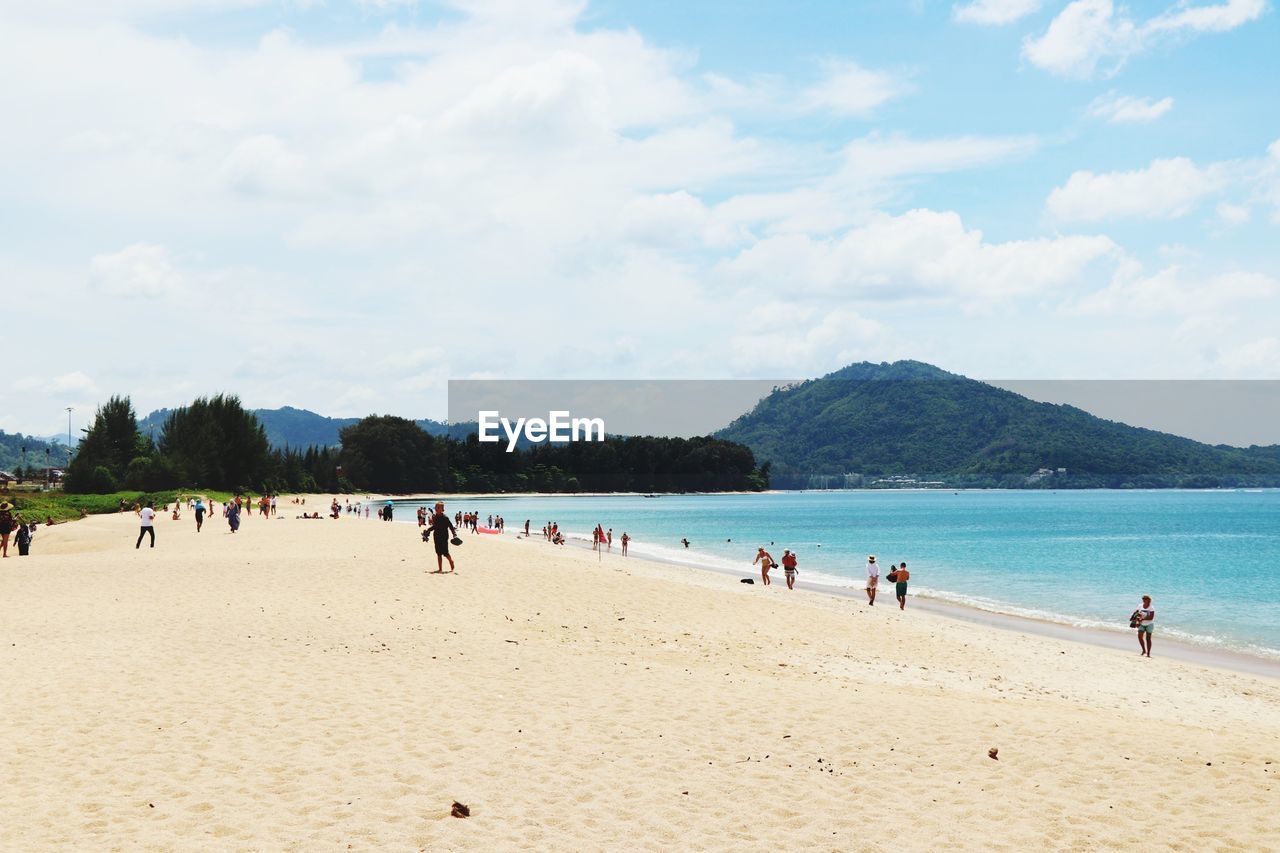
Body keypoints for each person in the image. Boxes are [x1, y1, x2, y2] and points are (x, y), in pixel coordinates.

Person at [425, 501, 458, 573]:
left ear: (442, 509)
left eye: (438, 508)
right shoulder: (435, 517)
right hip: (436, 536)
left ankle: (451, 561)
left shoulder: (445, 518)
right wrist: (428, 530)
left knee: (445, 553)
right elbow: (435, 526)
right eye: (436, 507)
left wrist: (454, 534)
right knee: (438, 553)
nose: (436, 509)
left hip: (444, 536)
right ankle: (440, 569)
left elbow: (451, 527)